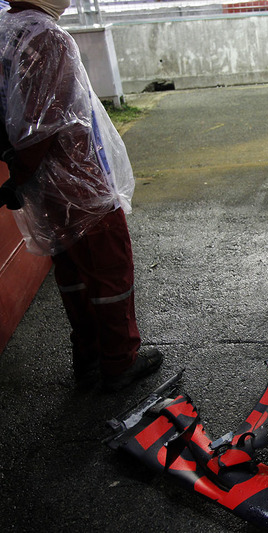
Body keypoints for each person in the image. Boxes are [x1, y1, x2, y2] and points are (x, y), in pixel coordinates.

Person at [0, 0, 163, 391]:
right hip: (77, 181)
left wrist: (20, 176)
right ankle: (119, 361)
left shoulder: (9, 32)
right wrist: (22, 170)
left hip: (44, 187)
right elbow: (45, 122)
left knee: (73, 272)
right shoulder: (48, 37)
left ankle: (88, 353)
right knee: (111, 271)